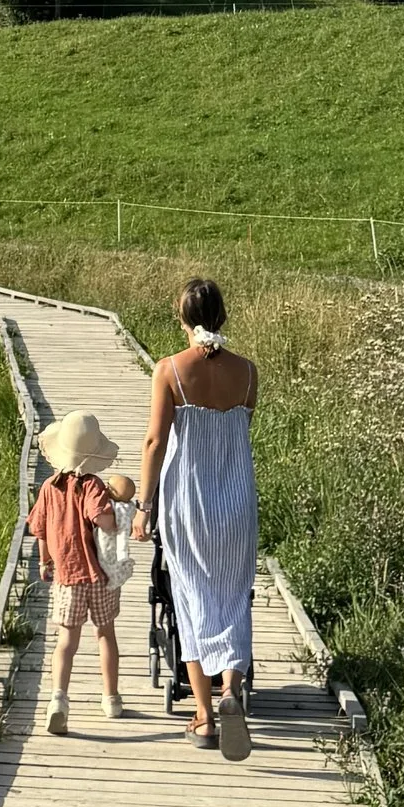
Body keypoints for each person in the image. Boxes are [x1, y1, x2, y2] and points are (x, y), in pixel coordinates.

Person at [132, 277, 259, 759]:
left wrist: (145, 507)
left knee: (190, 599)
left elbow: (155, 443)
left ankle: (205, 717)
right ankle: (231, 692)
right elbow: (237, 434)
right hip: (237, 504)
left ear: (181, 318)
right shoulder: (248, 374)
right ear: (223, 316)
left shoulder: (170, 370)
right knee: (233, 598)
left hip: (187, 505)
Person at [27, 410, 134, 736]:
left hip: (68, 577)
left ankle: (58, 698)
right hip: (100, 577)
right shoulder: (93, 486)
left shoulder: (49, 487)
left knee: (66, 641)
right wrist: (119, 520)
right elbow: (101, 519)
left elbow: (41, 531)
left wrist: (46, 562)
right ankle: (111, 699)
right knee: (105, 635)